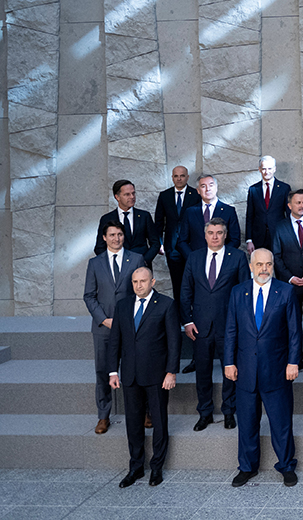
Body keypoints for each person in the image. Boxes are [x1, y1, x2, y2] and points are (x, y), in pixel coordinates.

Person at [224, 249, 302, 488]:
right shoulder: (238, 292)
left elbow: (294, 332)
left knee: (281, 422)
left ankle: (286, 465)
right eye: (259, 264)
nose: (264, 269)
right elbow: (230, 331)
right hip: (245, 370)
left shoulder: (286, 291)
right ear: (251, 266)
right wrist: (229, 362)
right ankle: (247, 467)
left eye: (268, 264)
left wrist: (293, 362)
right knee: (247, 422)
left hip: (277, 369)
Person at [107, 267, 180, 488]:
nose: (139, 285)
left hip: (157, 375)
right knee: (133, 423)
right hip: (129, 375)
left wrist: (171, 372)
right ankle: (136, 467)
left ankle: (156, 468)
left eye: (143, 281)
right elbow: (115, 341)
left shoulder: (166, 304)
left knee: (159, 422)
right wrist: (113, 371)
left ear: (153, 281)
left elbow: (174, 341)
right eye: (135, 281)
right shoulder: (123, 306)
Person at [180, 218, 250, 431]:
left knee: (230, 370)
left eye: (219, 232)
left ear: (225, 234)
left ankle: (229, 411)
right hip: (200, 326)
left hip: (229, 326)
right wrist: (187, 321)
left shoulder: (237, 257)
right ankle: (205, 412)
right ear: (205, 234)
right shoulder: (194, 257)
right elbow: (185, 291)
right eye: (211, 232)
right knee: (202, 371)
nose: (215, 236)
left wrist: (240, 324)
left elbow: (245, 293)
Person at [84, 221, 145, 434]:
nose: (116, 238)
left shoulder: (136, 259)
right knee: (102, 371)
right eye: (112, 235)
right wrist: (104, 319)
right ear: (104, 237)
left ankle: (143, 412)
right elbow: (89, 296)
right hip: (104, 327)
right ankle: (103, 415)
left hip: (132, 327)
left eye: (120, 234)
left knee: (137, 369)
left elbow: (142, 291)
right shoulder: (95, 263)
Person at [271, 188, 303, 369]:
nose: (302, 205)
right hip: (290, 283)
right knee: (291, 322)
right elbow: (276, 256)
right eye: (298, 202)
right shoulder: (280, 227)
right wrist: (290, 277)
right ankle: (296, 359)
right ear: (289, 205)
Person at [153, 166, 201, 307]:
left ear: (187, 177)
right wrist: (159, 243)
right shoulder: (164, 196)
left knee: (194, 280)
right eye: (176, 176)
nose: (179, 178)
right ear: (172, 178)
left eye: (182, 176)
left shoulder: (196, 194)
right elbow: (159, 222)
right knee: (177, 282)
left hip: (192, 246)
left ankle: (194, 313)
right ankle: (180, 316)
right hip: (172, 247)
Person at [94, 180, 160, 267]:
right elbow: (99, 247)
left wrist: (144, 261)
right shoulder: (107, 219)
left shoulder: (144, 216)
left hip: (142, 268)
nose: (132, 197)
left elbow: (155, 243)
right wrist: (113, 262)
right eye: (127, 194)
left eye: (133, 193)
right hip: (118, 269)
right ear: (117, 197)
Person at [177, 174, 242, 256]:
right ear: (198, 190)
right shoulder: (190, 212)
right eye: (203, 186)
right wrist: (192, 258)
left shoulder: (229, 211)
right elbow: (182, 241)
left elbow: (235, 239)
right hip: (197, 261)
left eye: (211, 185)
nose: (208, 189)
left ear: (216, 187)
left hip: (222, 262)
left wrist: (222, 255)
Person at [245, 155, 291, 253]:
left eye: (269, 168)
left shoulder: (284, 188)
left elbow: (289, 215)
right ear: (259, 169)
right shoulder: (253, 189)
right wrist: (249, 240)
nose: (267, 172)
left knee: (278, 266)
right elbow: (250, 216)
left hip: (278, 236)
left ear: (274, 169)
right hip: (258, 238)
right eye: (264, 169)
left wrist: (288, 237)